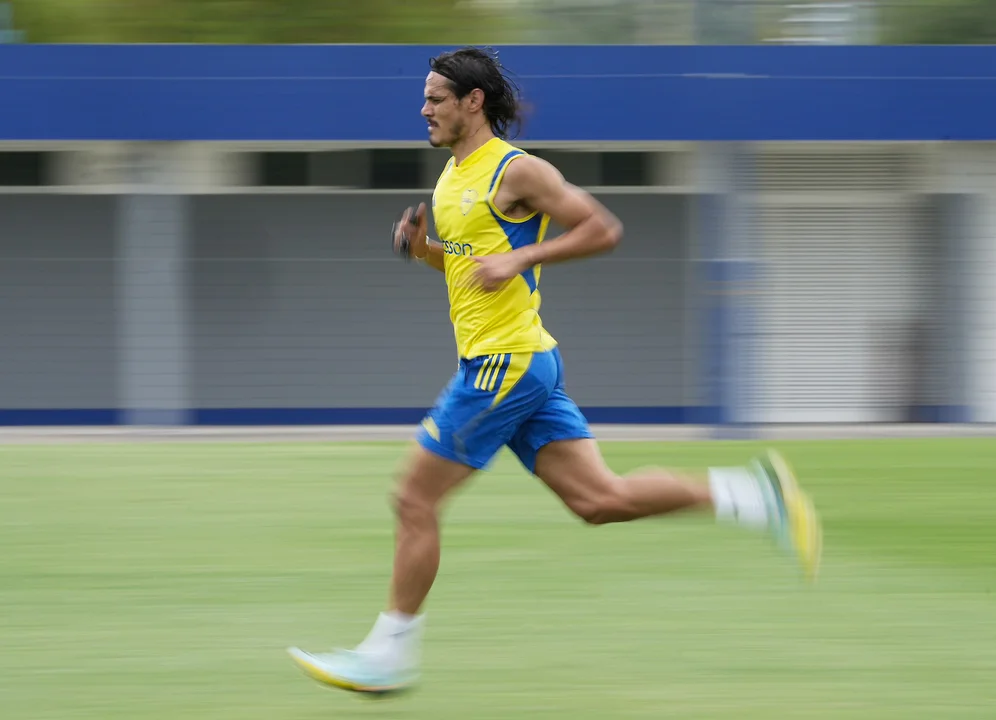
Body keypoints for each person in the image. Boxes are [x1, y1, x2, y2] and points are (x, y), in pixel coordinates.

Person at [288, 46, 822, 695]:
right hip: (527, 363)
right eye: (424, 98)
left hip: (503, 365)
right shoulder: (452, 179)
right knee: (601, 502)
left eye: (435, 98)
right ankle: (752, 494)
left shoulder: (518, 172)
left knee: (413, 498)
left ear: (472, 102)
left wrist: (523, 259)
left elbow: (602, 228)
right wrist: (426, 250)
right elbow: (471, 265)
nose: (422, 108)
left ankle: (389, 654)